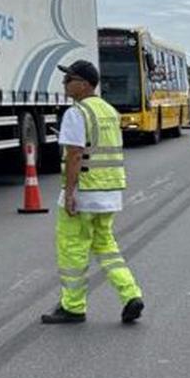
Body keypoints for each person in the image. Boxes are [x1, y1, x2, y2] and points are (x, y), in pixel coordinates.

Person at [41, 60, 144, 325]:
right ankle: (131, 293)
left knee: (72, 250)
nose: (64, 84)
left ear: (84, 84)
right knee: (106, 246)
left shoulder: (77, 113)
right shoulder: (108, 110)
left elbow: (75, 155)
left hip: (85, 192)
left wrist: (70, 192)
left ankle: (73, 307)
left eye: (69, 79)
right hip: (109, 192)